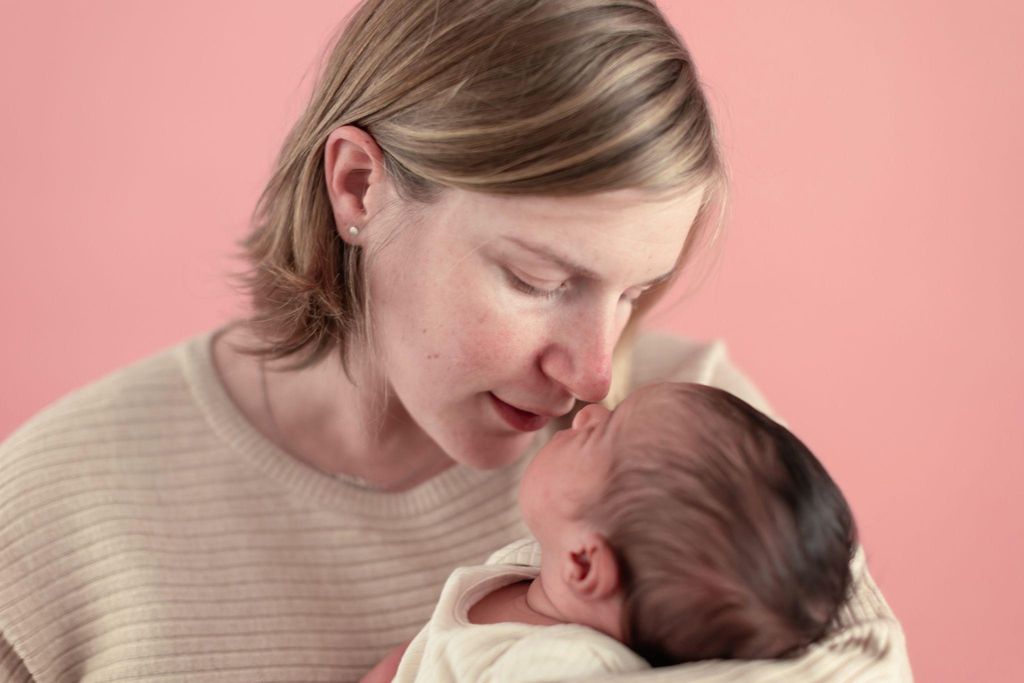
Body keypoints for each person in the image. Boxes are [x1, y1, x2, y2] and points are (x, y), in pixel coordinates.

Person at [0, 0, 910, 681]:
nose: (596, 377)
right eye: (540, 280)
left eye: (632, 293)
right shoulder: (52, 519)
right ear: (359, 188)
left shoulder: (719, 459)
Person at [362, 382, 859, 682]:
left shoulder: (564, 666)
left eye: (601, 433)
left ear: (584, 564)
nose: (587, 412)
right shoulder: (536, 570)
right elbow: (434, 652)